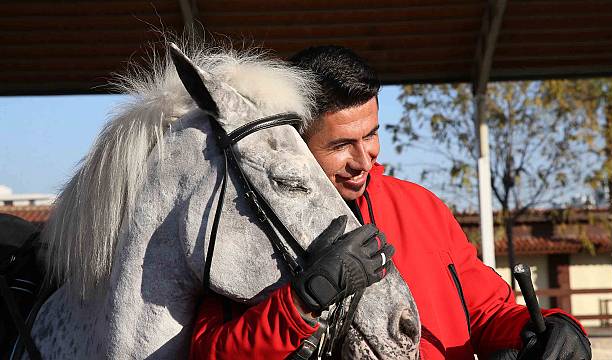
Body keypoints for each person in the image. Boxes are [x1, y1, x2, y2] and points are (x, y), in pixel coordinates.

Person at [190, 46, 591, 360]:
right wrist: (300, 302)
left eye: (371, 135)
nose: (364, 159)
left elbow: (487, 312)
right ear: (297, 143)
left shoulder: (423, 207)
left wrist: (547, 329)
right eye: (342, 144)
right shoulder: (249, 223)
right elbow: (210, 352)